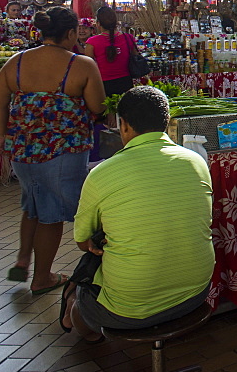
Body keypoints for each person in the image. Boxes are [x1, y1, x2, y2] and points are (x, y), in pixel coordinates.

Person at [61, 86, 214, 342]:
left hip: (127, 310)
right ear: (166, 122)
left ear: (124, 126)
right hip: (195, 293)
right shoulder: (196, 161)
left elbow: (81, 242)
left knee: (82, 305)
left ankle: (76, 314)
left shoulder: (102, 173)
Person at [0, 7, 105, 294]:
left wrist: (3, 134)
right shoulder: (81, 65)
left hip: (23, 153)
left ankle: (22, 261)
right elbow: (98, 107)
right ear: (69, 33)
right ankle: (42, 277)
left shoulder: (16, 62)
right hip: (63, 153)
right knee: (51, 215)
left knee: (33, 205)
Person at [85, 7, 137, 97]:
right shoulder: (128, 37)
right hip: (126, 82)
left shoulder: (92, 42)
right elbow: (136, 56)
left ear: (98, 23)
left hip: (103, 84)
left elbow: (88, 66)